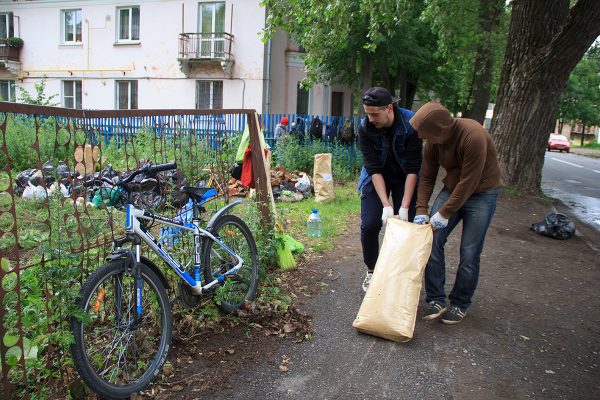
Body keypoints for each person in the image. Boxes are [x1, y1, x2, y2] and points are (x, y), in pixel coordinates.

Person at [409, 101, 501, 324]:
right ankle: (436, 299)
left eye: (424, 132)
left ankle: (460, 303)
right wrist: (422, 209)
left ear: (439, 128)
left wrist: (444, 212)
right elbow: (427, 177)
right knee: (431, 240)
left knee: (469, 251)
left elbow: (470, 181)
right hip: (452, 189)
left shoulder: (473, 136)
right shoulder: (433, 144)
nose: (422, 137)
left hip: (482, 193)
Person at [357, 87, 423, 292]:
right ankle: (372, 271)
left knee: (408, 224)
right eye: (368, 114)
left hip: (405, 176)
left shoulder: (411, 124)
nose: (371, 119)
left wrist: (402, 207)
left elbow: (413, 167)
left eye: (375, 114)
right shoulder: (365, 127)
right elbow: (373, 167)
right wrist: (386, 205)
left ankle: (402, 275)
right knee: (369, 225)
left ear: (389, 108)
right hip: (376, 176)